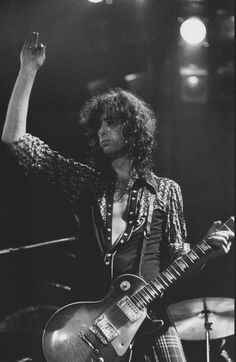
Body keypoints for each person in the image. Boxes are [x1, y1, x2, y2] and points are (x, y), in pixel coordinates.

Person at [1, 32, 233, 362]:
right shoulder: (87, 182)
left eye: (111, 124)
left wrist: (205, 252)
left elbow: (179, 264)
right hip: (90, 325)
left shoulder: (166, 192)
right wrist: (28, 70)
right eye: (98, 127)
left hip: (149, 320)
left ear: (134, 129)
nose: (102, 132)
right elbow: (16, 140)